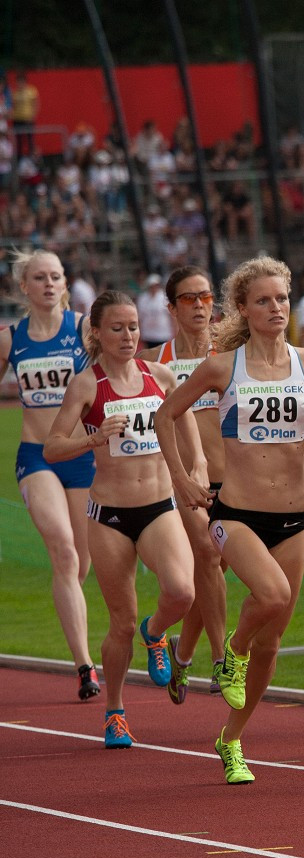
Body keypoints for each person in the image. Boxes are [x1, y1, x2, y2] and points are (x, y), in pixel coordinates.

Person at [155, 257, 304, 784]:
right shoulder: (223, 366)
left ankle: (231, 740)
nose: (275, 308)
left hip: (294, 517)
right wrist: (179, 479)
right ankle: (228, 654)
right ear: (243, 308)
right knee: (272, 596)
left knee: (272, 644)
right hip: (236, 512)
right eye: (263, 300)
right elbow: (165, 414)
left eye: (282, 299)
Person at [43, 291, 200, 748]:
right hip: (109, 514)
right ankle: (114, 711)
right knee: (121, 623)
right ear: (97, 332)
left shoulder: (159, 376)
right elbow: (52, 446)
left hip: (157, 506)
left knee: (182, 591)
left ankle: (157, 632)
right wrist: (91, 441)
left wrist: (197, 467)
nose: (128, 336)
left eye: (133, 327)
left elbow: (182, 414)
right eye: (117, 328)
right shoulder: (87, 386)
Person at [0, 249, 101, 701]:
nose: (48, 283)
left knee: (81, 561)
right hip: (36, 455)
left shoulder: (82, 329)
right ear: (24, 286)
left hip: (83, 454)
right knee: (63, 552)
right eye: (39, 277)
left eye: (56, 276)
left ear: (65, 283)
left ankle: (70, 607)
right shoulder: (9, 338)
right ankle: (85, 666)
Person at [139, 265, 227, 704]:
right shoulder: (157, 363)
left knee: (213, 574)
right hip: (186, 481)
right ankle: (221, 662)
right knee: (209, 557)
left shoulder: (231, 351)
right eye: (189, 299)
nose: (199, 306)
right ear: (171, 308)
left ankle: (183, 656)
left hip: (235, 477)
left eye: (206, 297)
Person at [136, 273, 174, 348]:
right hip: (148, 334)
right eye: (152, 286)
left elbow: (171, 316)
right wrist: (139, 332)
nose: (154, 288)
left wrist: (174, 331)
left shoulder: (165, 297)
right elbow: (139, 317)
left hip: (163, 334)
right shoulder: (142, 298)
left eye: (156, 285)